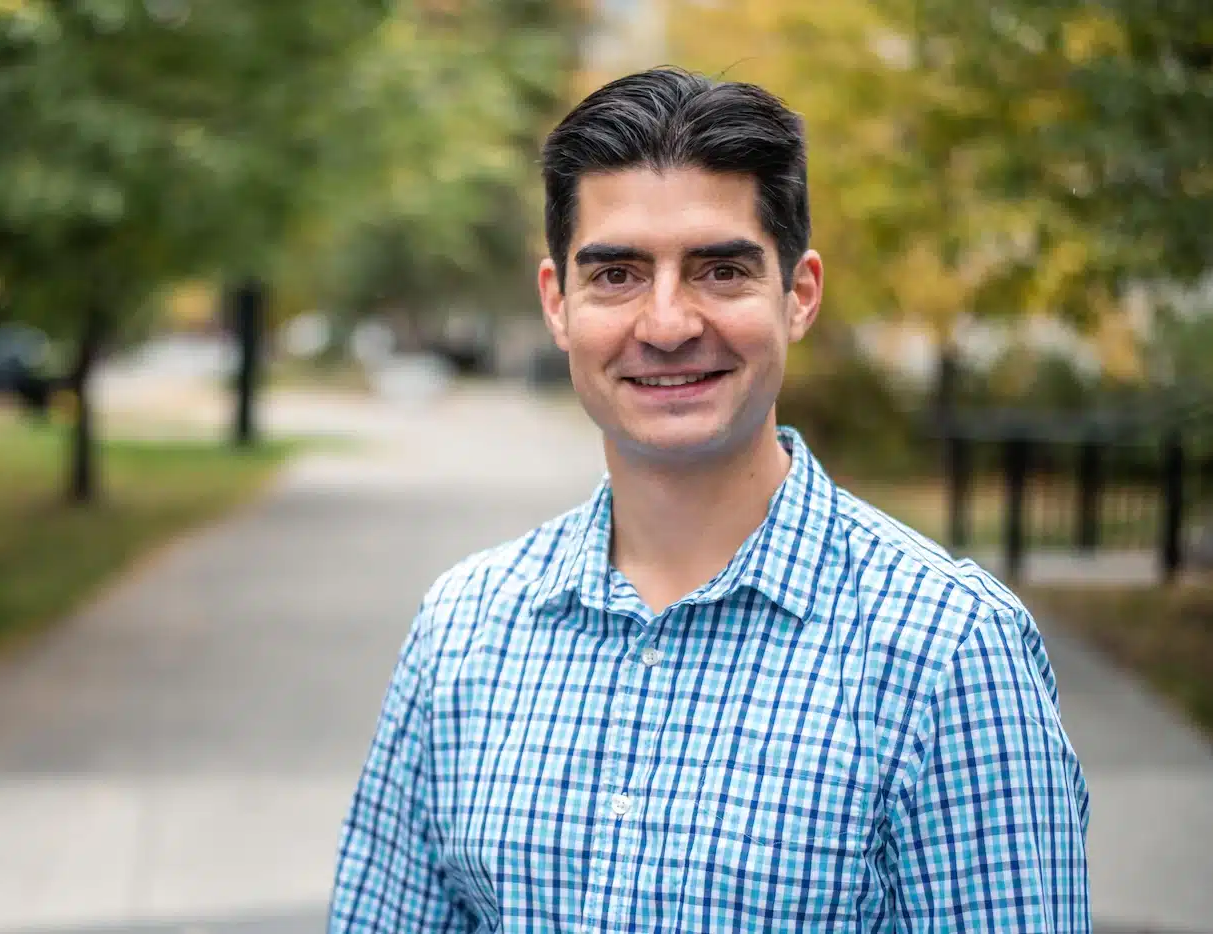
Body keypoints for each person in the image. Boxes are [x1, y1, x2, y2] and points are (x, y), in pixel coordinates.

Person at [329, 66, 1091, 932]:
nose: (666, 324)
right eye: (616, 275)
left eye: (720, 270)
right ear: (557, 303)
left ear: (798, 295)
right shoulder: (462, 630)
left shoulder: (948, 654)